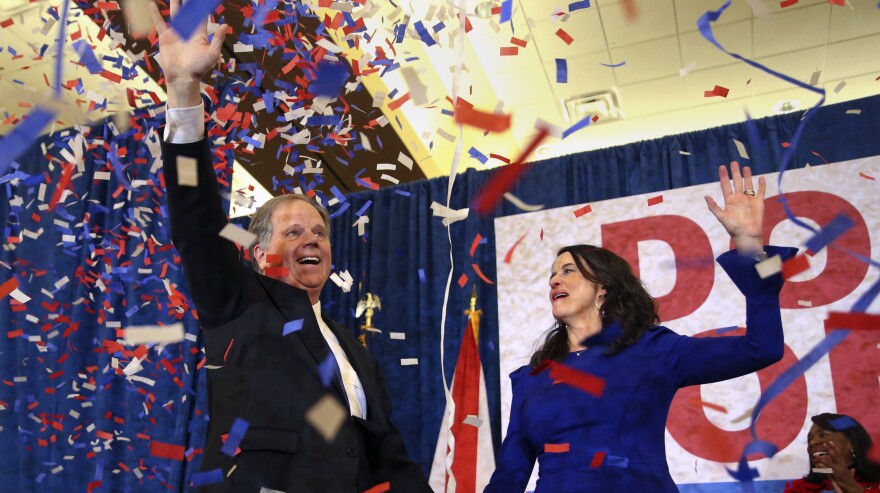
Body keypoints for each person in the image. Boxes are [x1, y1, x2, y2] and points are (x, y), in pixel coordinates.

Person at [148, 2, 432, 492]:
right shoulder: (241, 304)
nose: (311, 240)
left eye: (319, 232)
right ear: (259, 255)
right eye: (293, 232)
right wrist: (182, 90)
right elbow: (195, 222)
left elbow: (383, 455)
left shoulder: (352, 352)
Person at [484, 162, 797, 492]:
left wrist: (751, 246)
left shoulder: (654, 350)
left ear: (603, 289)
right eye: (553, 274)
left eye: (569, 270)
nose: (555, 280)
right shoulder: (531, 378)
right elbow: (509, 475)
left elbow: (762, 347)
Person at [784, 413, 880, 493]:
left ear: (851, 444)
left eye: (823, 435)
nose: (813, 442)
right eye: (810, 439)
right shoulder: (799, 489)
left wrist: (851, 486)